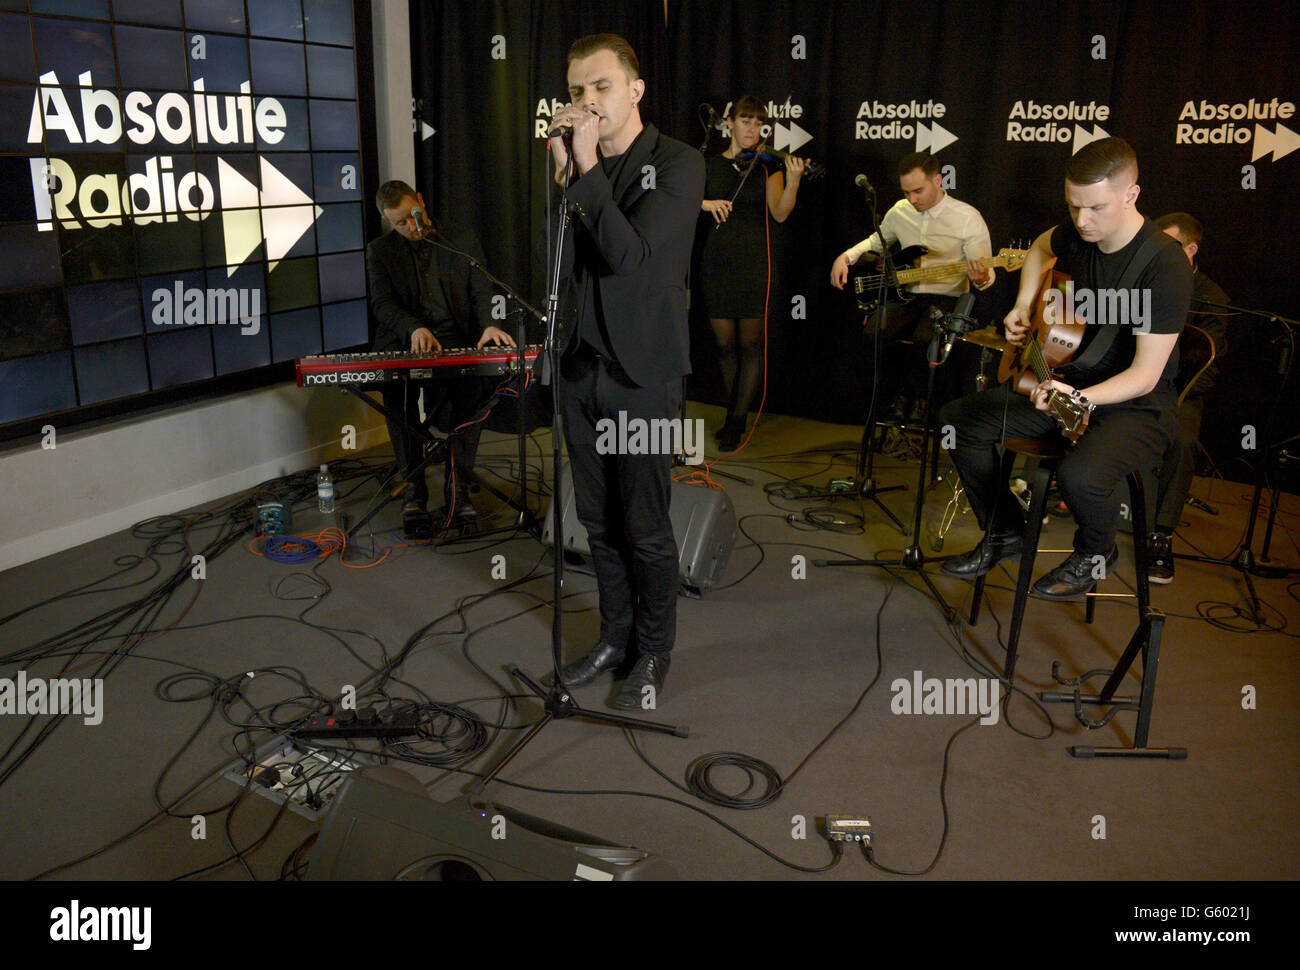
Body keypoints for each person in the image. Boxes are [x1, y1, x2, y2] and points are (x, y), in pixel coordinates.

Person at [938, 137, 1193, 600]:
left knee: (1080, 477)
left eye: (1095, 208)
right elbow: (1037, 249)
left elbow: (1145, 375)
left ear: (1131, 195)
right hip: (1073, 379)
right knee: (958, 421)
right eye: (1074, 207)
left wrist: (1076, 397)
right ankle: (1004, 532)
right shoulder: (1078, 232)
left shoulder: (1164, 265)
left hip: (1137, 404)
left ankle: (1095, 554)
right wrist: (1021, 305)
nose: (1081, 221)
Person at [545, 34, 705, 708]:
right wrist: (570, 175)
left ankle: (652, 653)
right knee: (597, 520)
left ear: (635, 90)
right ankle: (614, 636)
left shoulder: (678, 164)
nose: (589, 102)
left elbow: (631, 260)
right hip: (581, 370)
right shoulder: (577, 171)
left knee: (643, 524)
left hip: (642, 377)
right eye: (578, 91)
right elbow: (570, 270)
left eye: (602, 87)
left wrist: (582, 175)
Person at [366, 180, 515, 525]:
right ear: (389, 222)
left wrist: (490, 324)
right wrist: (413, 328)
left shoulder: (459, 241)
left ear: (420, 201)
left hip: (455, 336)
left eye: (412, 216)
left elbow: (482, 290)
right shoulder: (380, 251)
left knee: (473, 398)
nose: (410, 227)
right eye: (400, 223)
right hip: (407, 338)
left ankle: (459, 488)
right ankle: (414, 490)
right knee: (398, 401)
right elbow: (382, 304)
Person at [830, 152, 996, 420]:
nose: (912, 199)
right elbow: (876, 240)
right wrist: (846, 256)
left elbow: (987, 272)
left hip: (947, 297)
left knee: (925, 339)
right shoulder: (900, 211)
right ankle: (893, 397)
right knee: (874, 332)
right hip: (907, 295)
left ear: (938, 180)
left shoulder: (967, 217)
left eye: (918, 191)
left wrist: (981, 278)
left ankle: (923, 403)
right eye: (907, 192)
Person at [699, 96, 806, 451]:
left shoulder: (767, 167)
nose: (751, 129)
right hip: (717, 262)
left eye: (758, 123)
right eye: (745, 121)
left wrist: (792, 182)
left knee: (750, 344)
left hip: (753, 263)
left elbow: (779, 214)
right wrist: (706, 203)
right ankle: (734, 412)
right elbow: (681, 200)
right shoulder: (708, 164)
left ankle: (736, 421)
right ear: (729, 123)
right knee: (723, 344)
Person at [1147, 212, 1233, 583]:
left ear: (1191, 249)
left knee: (1182, 441)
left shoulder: (1212, 299)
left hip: (1179, 390)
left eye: (1167, 244)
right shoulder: (1144, 280)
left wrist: (1167, 392)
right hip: (1133, 379)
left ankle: (1160, 536)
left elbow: (1207, 369)